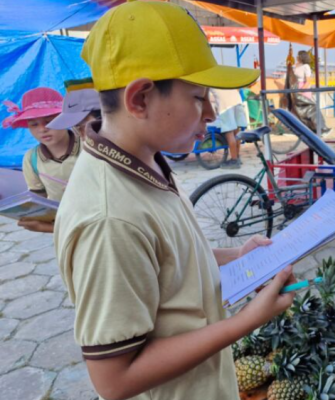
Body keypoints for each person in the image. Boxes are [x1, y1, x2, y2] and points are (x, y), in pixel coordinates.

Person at [54, 2, 296, 400]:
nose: (212, 114)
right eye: (199, 97)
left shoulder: (146, 158)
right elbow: (114, 380)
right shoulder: (110, 217)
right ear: (140, 99)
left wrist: (236, 255)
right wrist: (248, 321)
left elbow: (168, 256)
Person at [2, 87, 80, 233]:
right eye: (34, 124)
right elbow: (38, 198)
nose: (43, 129)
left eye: (50, 121)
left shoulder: (88, 145)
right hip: (66, 227)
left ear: (64, 119)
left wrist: (46, 228)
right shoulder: (31, 159)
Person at [284, 50, 331, 135]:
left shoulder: (306, 66)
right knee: (299, 110)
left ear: (301, 57)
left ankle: (318, 127)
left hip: (302, 88)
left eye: (298, 55)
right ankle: (304, 127)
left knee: (308, 109)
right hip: (295, 88)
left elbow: (308, 81)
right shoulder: (298, 65)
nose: (297, 57)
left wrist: (301, 90)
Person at [210, 89, 248, 169]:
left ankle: (234, 160)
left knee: (229, 131)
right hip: (237, 100)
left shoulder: (209, 79)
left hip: (226, 105)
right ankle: (237, 157)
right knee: (236, 130)